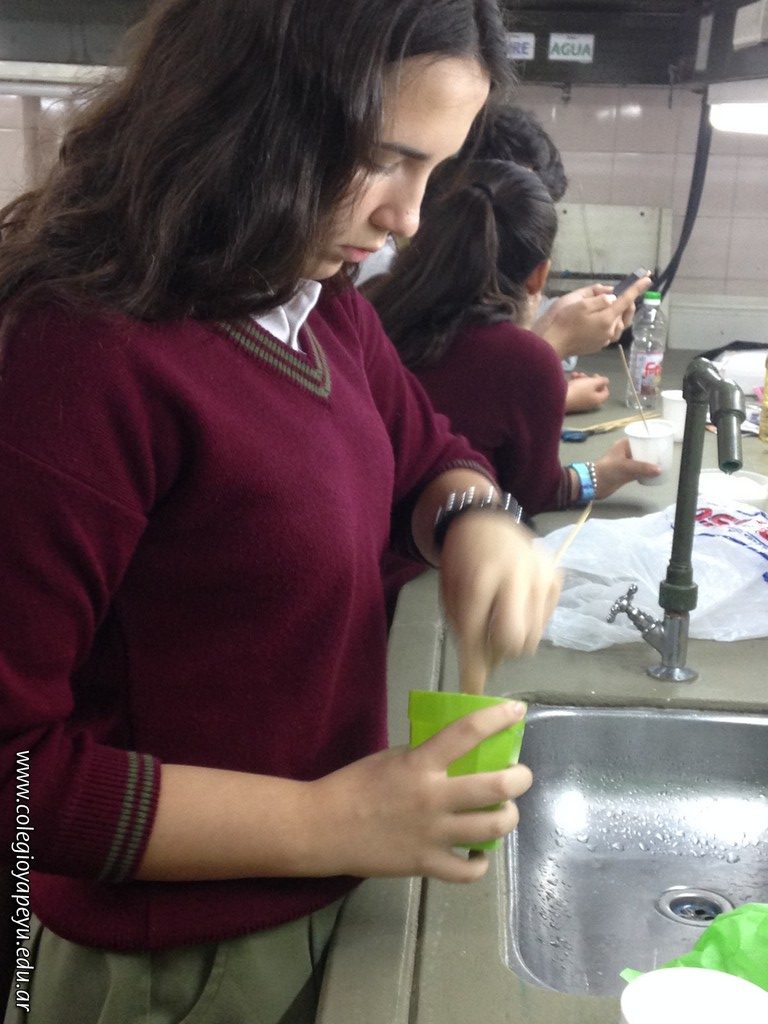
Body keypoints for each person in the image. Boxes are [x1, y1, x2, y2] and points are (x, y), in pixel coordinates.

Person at [0, 2, 563, 1022]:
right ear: (252, 111)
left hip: (314, 895)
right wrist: (326, 821)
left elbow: (425, 450)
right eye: (385, 159)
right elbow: (17, 773)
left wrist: (475, 519)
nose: (408, 219)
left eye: (433, 171)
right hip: (171, 965)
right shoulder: (79, 356)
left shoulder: (315, 300)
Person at [368, 159, 658, 621]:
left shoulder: (369, 303)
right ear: (539, 276)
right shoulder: (523, 360)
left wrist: (544, 346)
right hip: (403, 593)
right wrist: (600, 475)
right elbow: (532, 493)